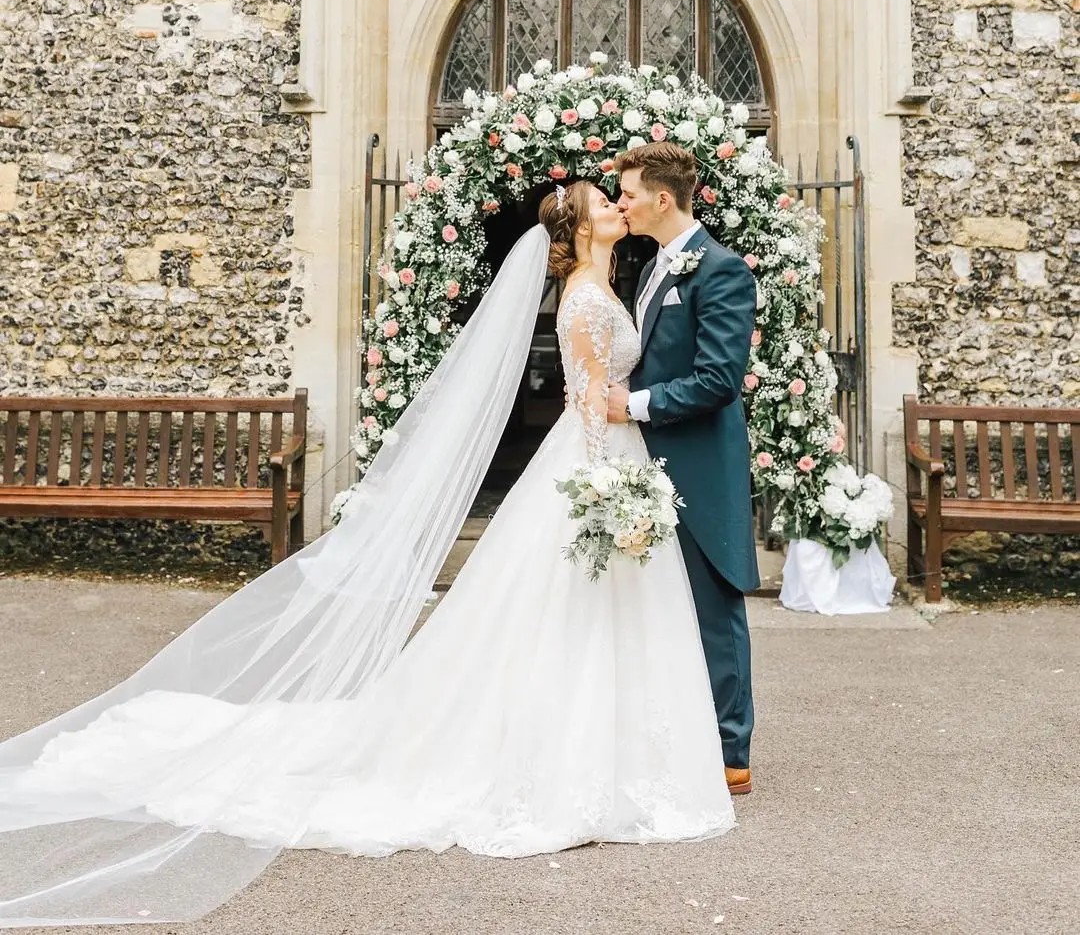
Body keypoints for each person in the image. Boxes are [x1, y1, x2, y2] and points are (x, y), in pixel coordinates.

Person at [0, 183, 734, 930]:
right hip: (595, 466)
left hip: (620, 457)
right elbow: (585, 406)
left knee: (599, 620)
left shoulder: (617, 282)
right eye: (601, 201)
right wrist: (607, 492)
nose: (616, 204)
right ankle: (579, 756)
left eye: (618, 197)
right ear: (578, 229)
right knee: (565, 614)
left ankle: (620, 751)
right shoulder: (582, 298)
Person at [611, 143, 759, 794]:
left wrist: (633, 406)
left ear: (662, 199)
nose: (622, 203)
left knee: (711, 608)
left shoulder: (722, 272)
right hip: (649, 462)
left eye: (629, 193)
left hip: (698, 466)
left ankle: (731, 752)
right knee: (656, 606)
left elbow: (719, 380)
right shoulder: (651, 271)